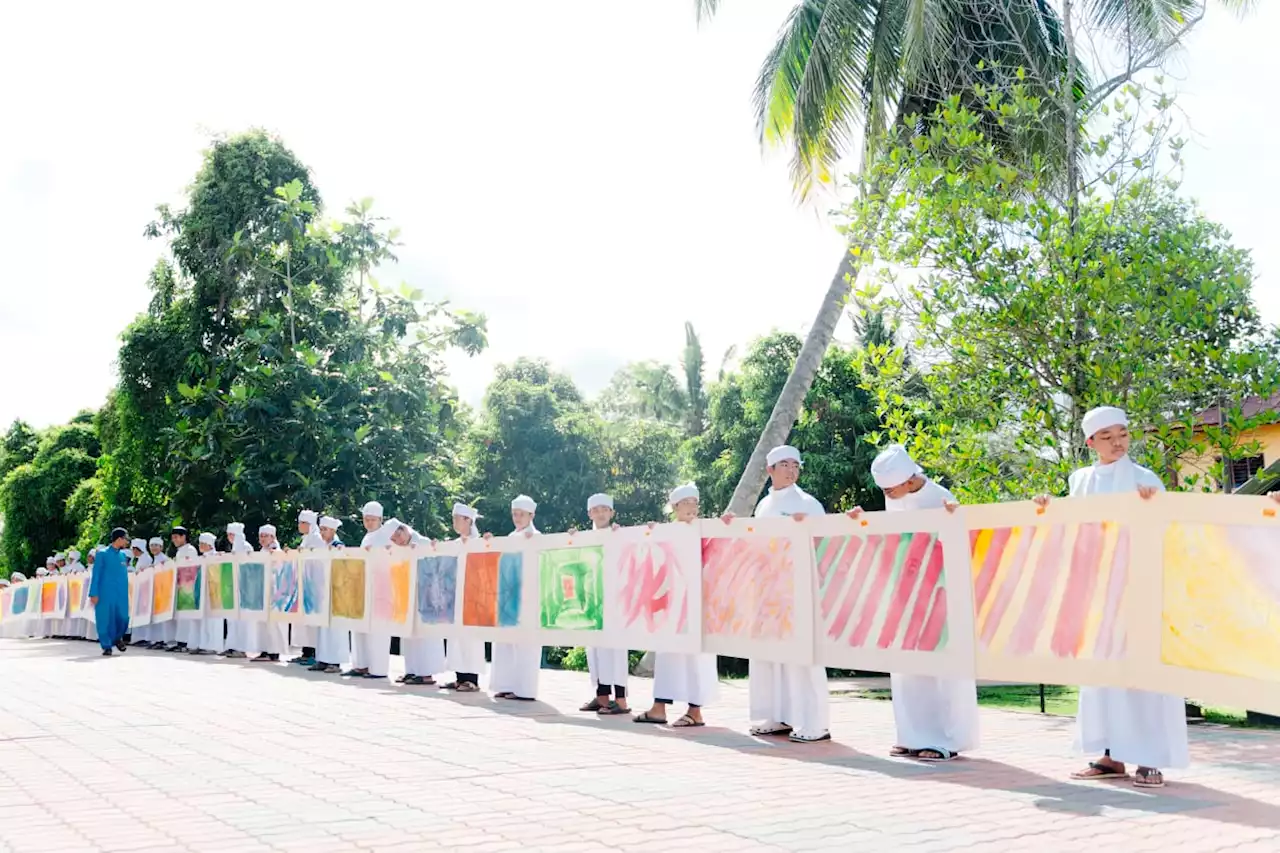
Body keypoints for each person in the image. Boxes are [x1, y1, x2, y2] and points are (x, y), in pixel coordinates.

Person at [1035, 406, 1187, 790]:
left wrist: (1155, 505)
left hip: (1140, 589)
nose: (1118, 442)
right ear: (1090, 443)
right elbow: (1076, 529)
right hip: (1098, 592)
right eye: (1107, 437)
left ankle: (1150, 758)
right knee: (1103, 674)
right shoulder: (1080, 480)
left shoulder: (1144, 478)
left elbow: (1170, 529)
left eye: (1122, 433)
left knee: (1143, 673)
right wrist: (1045, 509)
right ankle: (1109, 756)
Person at [847, 445, 978, 762]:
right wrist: (863, 522)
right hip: (904, 595)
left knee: (944, 670)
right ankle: (912, 736)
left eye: (890, 489)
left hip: (939, 596)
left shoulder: (940, 499)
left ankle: (947, 739)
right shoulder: (895, 499)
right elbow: (892, 541)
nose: (887, 495)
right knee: (905, 667)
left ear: (908, 479)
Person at [723, 446, 831, 743]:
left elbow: (824, 545)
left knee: (804, 656)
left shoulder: (809, 504)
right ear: (769, 470)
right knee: (770, 653)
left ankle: (815, 721)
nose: (791, 470)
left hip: (800, 591)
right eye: (784, 464)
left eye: (795, 465)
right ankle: (778, 715)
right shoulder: (763, 506)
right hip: (769, 593)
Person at [634, 483, 719, 728]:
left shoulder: (705, 531)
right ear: (675, 507)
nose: (692, 507)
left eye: (695, 502)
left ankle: (695, 711)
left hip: (697, 604)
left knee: (696, 656)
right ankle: (658, 708)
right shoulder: (665, 531)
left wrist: (728, 522)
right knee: (666, 654)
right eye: (686, 503)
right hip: (670, 605)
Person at [577, 493, 629, 715]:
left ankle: (621, 700)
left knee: (616, 649)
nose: (600, 513)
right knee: (595, 649)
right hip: (592, 599)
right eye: (595, 510)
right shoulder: (584, 537)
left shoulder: (620, 535)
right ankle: (601, 697)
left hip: (616, 600)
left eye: (604, 509)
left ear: (611, 513)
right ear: (589, 513)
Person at [489, 495, 542, 701]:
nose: (517, 518)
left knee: (525, 643)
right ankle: (505, 685)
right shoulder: (510, 537)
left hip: (527, 598)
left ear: (531, 515)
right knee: (505, 642)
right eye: (515, 514)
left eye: (521, 514)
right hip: (507, 597)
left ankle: (524, 689)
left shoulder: (536, 537)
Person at [388, 521, 445, 686]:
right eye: (394, 539)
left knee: (424, 635)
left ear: (405, 530)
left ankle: (426, 673)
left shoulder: (424, 544)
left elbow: (435, 569)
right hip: (407, 596)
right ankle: (411, 670)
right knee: (409, 635)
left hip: (426, 596)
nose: (397, 540)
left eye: (398, 535)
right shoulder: (398, 549)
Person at [437, 503, 487, 692]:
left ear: (468, 520)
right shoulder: (456, 543)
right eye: (453, 518)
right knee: (456, 637)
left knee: (471, 638)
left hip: (473, 598)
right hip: (455, 598)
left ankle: (471, 679)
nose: (454, 522)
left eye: (458, 518)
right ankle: (459, 676)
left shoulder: (479, 542)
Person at [344, 501, 391, 679]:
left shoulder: (386, 536)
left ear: (380, 519)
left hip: (380, 589)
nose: (369, 522)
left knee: (378, 629)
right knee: (359, 627)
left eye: (372, 519)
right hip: (362, 587)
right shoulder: (366, 537)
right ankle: (360, 665)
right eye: (366, 519)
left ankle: (378, 668)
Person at [310, 515, 348, 674]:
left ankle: (335, 662)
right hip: (322, 591)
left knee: (335, 628)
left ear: (333, 531)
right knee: (323, 627)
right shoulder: (322, 546)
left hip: (336, 591)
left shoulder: (338, 546)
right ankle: (323, 659)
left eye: (325, 529)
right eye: (321, 529)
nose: (322, 532)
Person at [251, 524, 288, 662]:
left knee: (273, 623)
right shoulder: (262, 551)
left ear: (272, 537)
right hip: (261, 591)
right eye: (261, 536)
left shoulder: (276, 551)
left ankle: (274, 652)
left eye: (265, 536)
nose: (262, 539)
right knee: (262, 622)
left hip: (274, 592)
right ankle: (264, 650)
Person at [91, 528, 131, 656]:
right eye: (125, 539)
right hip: (105, 592)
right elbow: (96, 573)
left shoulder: (123, 555)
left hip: (121, 593)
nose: (126, 542)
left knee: (124, 617)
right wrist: (93, 592)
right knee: (104, 619)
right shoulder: (102, 554)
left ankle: (117, 637)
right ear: (119, 539)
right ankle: (106, 645)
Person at [290, 509, 320, 666]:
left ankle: (313, 652)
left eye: (302, 523)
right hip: (303, 584)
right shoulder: (306, 539)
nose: (300, 525)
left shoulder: (316, 539)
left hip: (313, 584)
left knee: (311, 620)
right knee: (302, 621)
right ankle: (305, 651)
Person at [188, 532, 226, 656]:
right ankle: (201, 643)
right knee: (202, 619)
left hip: (213, 592)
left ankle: (212, 645)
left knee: (213, 620)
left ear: (210, 545)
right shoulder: (201, 558)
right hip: (202, 593)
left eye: (203, 543)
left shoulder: (217, 557)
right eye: (200, 543)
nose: (201, 546)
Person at [164, 527, 198, 652]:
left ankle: (186, 642)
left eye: (176, 537)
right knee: (180, 616)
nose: (174, 540)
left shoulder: (190, 550)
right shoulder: (180, 552)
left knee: (186, 616)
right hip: (180, 586)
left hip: (187, 586)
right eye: (173, 538)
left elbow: (191, 569)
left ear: (183, 537)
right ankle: (180, 641)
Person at [222, 522, 253, 659]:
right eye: (228, 534)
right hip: (232, 588)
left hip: (243, 589)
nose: (229, 537)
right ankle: (231, 646)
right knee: (232, 619)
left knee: (241, 621)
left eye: (232, 534)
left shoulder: (246, 547)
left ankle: (241, 648)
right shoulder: (234, 548)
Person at [147, 537, 176, 651]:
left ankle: (168, 641)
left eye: (156, 545)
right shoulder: (154, 560)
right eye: (152, 545)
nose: (153, 548)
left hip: (163, 592)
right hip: (156, 592)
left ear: (161, 547)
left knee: (164, 619)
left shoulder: (165, 559)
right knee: (156, 618)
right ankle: (158, 640)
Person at [129, 539, 153, 646]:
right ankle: (138, 637)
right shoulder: (141, 559)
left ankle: (143, 637)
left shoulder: (146, 559)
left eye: (134, 549)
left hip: (144, 590)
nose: (133, 551)